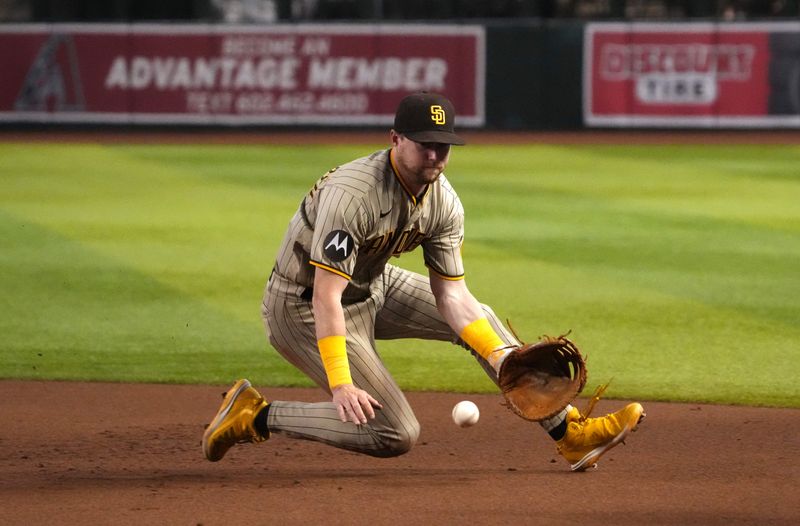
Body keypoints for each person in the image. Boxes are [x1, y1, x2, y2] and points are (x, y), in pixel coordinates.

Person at [202, 92, 644, 471]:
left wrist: (499, 356)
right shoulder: (354, 195)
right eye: (425, 144)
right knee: (395, 432)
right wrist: (340, 382)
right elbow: (326, 296)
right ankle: (254, 414)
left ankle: (571, 434)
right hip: (301, 306)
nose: (435, 155)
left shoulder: (444, 202)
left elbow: (453, 297)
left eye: (444, 146)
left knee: (482, 322)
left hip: (375, 283)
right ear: (395, 140)